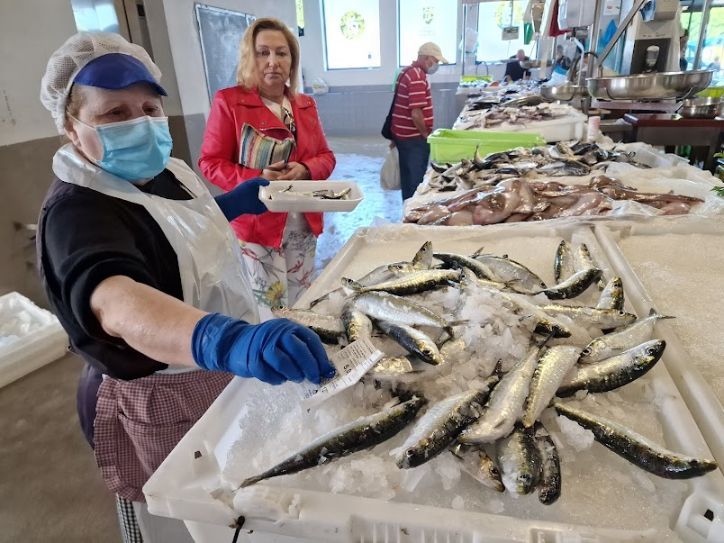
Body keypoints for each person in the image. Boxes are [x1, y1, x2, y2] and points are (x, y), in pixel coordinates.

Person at [38, 32, 334, 542]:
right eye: (114, 114)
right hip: (158, 393)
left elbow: (172, 230)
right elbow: (116, 300)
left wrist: (234, 204)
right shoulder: (77, 210)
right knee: (187, 519)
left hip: (209, 373)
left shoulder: (163, 171)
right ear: (70, 126)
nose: (141, 123)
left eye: (150, 107)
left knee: (236, 504)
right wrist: (226, 340)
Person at [199, 18, 335, 316]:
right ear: (250, 57)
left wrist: (306, 168)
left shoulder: (304, 104)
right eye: (263, 53)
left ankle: (301, 355)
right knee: (270, 310)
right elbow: (210, 163)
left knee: (302, 304)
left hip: (303, 221)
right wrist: (257, 177)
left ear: (292, 60)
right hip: (258, 226)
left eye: (281, 53)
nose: (273, 62)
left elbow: (326, 156)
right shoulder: (230, 102)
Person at [390, 42, 447, 200]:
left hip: (403, 137)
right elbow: (416, 113)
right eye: (436, 61)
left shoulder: (406, 72)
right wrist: (425, 134)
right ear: (427, 58)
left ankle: (407, 209)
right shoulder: (417, 76)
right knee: (416, 182)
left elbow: (399, 107)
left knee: (408, 180)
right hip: (414, 139)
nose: (436, 65)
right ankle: (413, 214)